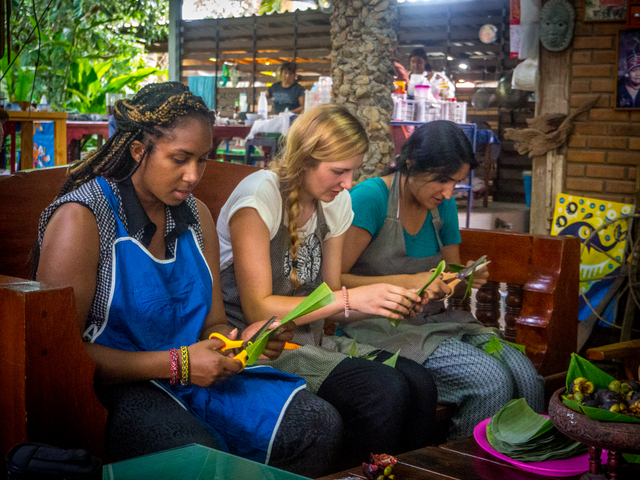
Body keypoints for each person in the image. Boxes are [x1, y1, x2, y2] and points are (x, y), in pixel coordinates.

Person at [33, 82, 345, 478]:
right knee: (200, 454)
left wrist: (239, 340)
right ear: (137, 151)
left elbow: (212, 323)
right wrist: (178, 363)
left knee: (318, 424)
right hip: (115, 386)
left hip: (187, 375)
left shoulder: (196, 216)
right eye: (180, 159)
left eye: (202, 160)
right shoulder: (83, 218)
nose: (194, 175)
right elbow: (60, 356)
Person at [217, 103, 439, 469]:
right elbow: (259, 308)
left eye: (353, 170)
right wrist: (351, 299)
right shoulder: (259, 197)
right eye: (339, 171)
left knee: (419, 383)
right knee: (383, 390)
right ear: (305, 161)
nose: (349, 183)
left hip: (311, 340)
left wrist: (385, 300)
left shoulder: (335, 203)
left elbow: (332, 293)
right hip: (259, 346)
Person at [340, 121, 545, 440]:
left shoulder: (442, 205)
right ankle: (460, 468)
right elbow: (332, 283)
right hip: (372, 327)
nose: (449, 193)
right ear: (410, 163)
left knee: (526, 376)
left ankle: (519, 466)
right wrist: (411, 281)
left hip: (433, 323)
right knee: (489, 379)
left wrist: (465, 278)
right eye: (442, 179)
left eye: (457, 182)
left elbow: (451, 274)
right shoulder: (370, 198)